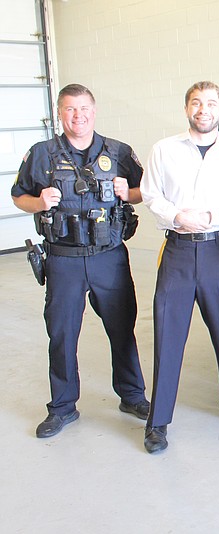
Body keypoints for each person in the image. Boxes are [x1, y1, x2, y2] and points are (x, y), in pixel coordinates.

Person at [11, 83, 149, 438]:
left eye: (84, 108)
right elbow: (18, 196)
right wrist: (39, 202)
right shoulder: (41, 154)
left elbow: (146, 190)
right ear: (60, 113)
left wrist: (127, 193)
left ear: (94, 109)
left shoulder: (118, 151)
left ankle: (132, 395)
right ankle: (62, 406)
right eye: (70, 109)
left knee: (122, 330)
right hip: (64, 259)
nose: (78, 116)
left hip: (109, 258)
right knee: (61, 334)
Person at [140, 81, 219, 454]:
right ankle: (157, 422)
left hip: (218, 254)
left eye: (210, 103)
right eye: (195, 103)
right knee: (168, 338)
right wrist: (176, 215)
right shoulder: (164, 150)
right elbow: (150, 194)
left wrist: (210, 216)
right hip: (175, 253)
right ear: (186, 108)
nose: (202, 109)